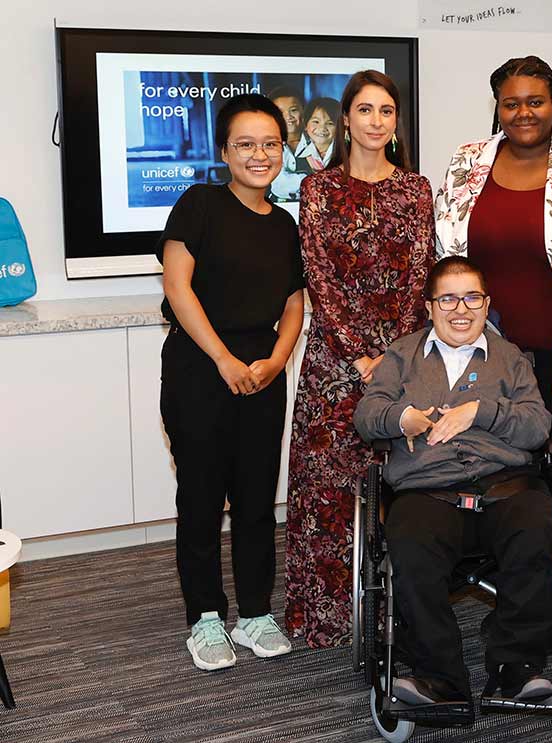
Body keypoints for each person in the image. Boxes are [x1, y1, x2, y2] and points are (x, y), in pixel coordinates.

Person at [353, 256, 552, 706]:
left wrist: (480, 412)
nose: (459, 308)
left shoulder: (511, 358)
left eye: (471, 297)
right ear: (429, 306)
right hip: (429, 490)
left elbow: (537, 426)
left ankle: (517, 668)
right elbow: (366, 416)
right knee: (409, 541)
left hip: (505, 484)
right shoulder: (401, 356)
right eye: (447, 298)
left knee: (536, 523)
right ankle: (438, 677)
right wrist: (399, 417)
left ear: (487, 305)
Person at [285, 70, 434, 648]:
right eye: (365, 110)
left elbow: (418, 274)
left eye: (387, 111)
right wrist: (357, 354)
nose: (376, 120)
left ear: (396, 123)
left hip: (400, 363)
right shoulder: (316, 189)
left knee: (396, 486)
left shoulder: (415, 190)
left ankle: (394, 610)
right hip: (331, 362)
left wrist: (390, 357)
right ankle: (322, 615)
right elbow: (318, 277)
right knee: (325, 489)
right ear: (345, 119)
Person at [157, 93, 305, 671]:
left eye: (270, 143)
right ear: (224, 152)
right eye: (245, 144)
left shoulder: (286, 223)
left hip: (263, 370)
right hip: (200, 366)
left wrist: (276, 358)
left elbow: (295, 302)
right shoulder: (200, 204)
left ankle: (256, 613)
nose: (259, 154)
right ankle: (205, 618)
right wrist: (222, 358)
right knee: (200, 497)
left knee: (254, 498)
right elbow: (178, 287)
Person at [434, 56, 552, 442]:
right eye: (511, 104)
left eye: (535, 101)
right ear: (497, 108)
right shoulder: (467, 161)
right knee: (482, 463)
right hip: (478, 351)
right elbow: (444, 252)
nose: (523, 113)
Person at [269, 86, 309, 201]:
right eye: (280, 112)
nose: (288, 117)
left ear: (304, 110)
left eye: (293, 110)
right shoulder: (267, 146)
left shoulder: (317, 140)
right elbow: (280, 185)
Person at [297, 96, 338, 172]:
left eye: (330, 123)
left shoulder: (347, 154)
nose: (322, 128)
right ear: (306, 125)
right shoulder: (297, 155)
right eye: (316, 122)